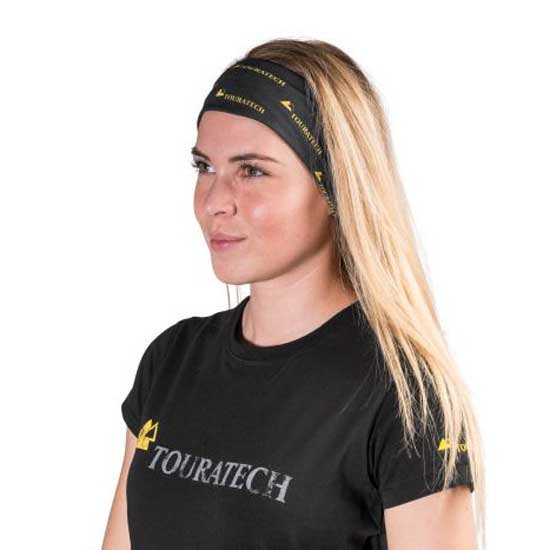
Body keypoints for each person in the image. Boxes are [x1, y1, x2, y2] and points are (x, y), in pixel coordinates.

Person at [102, 39, 485, 550]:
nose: (214, 202)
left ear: (335, 187)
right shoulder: (171, 361)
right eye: (205, 167)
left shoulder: (402, 397)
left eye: (252, 171)